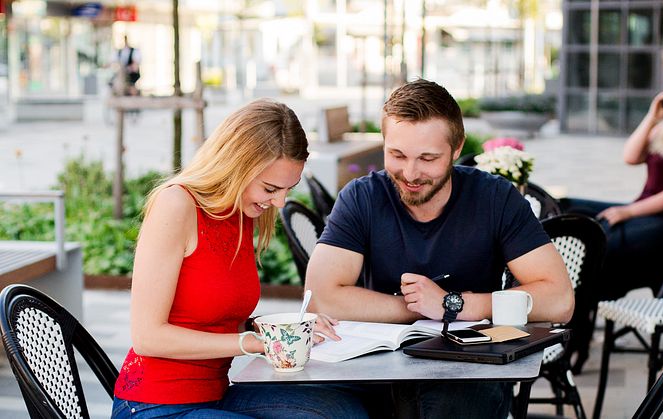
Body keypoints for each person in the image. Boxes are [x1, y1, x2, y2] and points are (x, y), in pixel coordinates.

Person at [305, 79, 574, 419]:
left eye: (428, 158)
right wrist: (418, 309)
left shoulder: (495, 198)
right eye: (397, 155)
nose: (411, 173)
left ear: (457, 148)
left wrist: (453, 304)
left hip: (471, 370)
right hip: (379, 366)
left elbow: (559, 300)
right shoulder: (362, 198)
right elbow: (322, 297)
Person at [111, 100, 368, 418]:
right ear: (236, 166)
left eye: (288, 189)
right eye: (271, 188)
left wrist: (281, 328)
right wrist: (256, 343)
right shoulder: (176, 204)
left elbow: (215, 316)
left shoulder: (241, 212)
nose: (280, 202)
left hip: (215, 394)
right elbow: (147, 337)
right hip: (155, 406)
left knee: (344, 410)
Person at [559, 66, 663, 300]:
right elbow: (631, 156)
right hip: (646, 212)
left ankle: (579, 308)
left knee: (596, 237)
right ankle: (572, 297)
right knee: (568, 209)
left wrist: (628, 211)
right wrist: (652, 117)